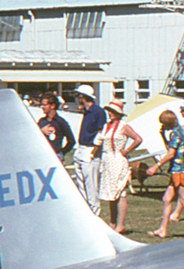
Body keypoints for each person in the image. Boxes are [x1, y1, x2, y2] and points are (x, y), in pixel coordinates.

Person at [150, 110, 184, 238]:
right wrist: (162, 135)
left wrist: (156, 166)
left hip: (180, 170)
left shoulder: (176, 134)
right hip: (176, 169)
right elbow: (171, 148)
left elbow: (170, 154)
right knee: (167, 199)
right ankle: (162, 229)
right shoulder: (179, 131)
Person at [94, 98, 141, 233]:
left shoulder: (123, 126)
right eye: (109, 111)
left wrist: (127, 150)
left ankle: (120, 224)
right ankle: (113, 222)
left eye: (113, 112)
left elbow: (138, 139)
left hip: (118, 159)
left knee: (120, 192)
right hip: (107, 160)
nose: (110, 114)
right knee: (110, 193)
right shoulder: (106, 126)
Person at [73, 84, 106, 212]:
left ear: (83, 97)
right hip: (81, 148)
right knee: (81, 183)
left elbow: (101, 134)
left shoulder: (98, 112)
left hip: (90, 150)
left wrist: (93, 153)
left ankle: (94, 211)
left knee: (91, 185)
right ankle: (85, 211)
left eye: (78, 96)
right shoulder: (87, 112)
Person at [37, 94, 75, 159]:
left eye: (44, 105)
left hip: (56, 155)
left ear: (52, 106)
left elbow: (71, 140)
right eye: (41, 105)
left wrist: (62, 152)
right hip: (42, 155)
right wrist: (41, 130)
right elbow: (32, 135)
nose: (42, 107)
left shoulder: (60, 122)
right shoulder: (41, 121)